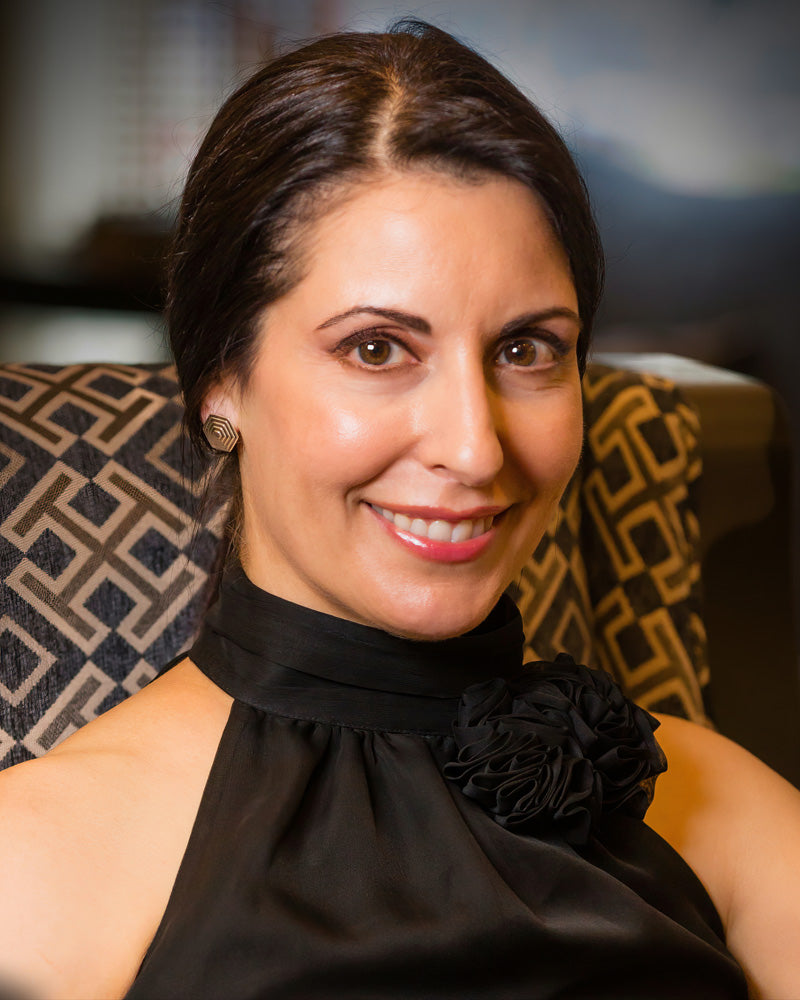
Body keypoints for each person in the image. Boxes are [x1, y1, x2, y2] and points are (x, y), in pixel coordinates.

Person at [0, 19, 798, 1000]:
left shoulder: (719, 804)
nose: (473, 446)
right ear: (220, 382)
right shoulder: (35, 870)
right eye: (377, 349)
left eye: (525, 349)